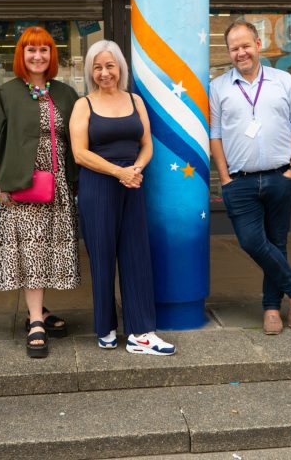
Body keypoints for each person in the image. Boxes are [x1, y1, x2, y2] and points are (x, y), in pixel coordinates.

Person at [0, 26, 80, 358]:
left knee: (49, 250)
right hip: (22, 186)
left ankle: (41, 310)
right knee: (30, 251)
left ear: (53, 56)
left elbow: (77, 141)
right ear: (21, 56)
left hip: (59, 185)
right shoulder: (7, 94)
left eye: (44, 50)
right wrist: (1, 184)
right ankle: (35, 320)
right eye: (30, 50)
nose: (37, 56)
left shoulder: (65, 94)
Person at [68, 40, 175, 355]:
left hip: (132, 185)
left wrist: (136, 168)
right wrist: (120, 172)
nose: (104, 73)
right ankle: (105, 328)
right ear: (91, 71)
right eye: (97, 67)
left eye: (110, 66)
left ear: (120, 68)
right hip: (98, 188)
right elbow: (80, 153)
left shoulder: (135, 101)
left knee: (136, 257)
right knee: (102, 259)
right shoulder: (83, 105)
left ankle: (141, 333)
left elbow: (147, 144)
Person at [209, 19, 291, 335]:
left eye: (245, 45)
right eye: (233, 48)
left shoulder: (284, 81)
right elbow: (215, 135)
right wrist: (224, 178)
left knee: (276, 243)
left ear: (257, 44)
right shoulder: (218, 87)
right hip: (239, 180)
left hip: (280, 176)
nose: (240, 52)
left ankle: (271, 308)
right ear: (228, 52)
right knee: (253, 241)